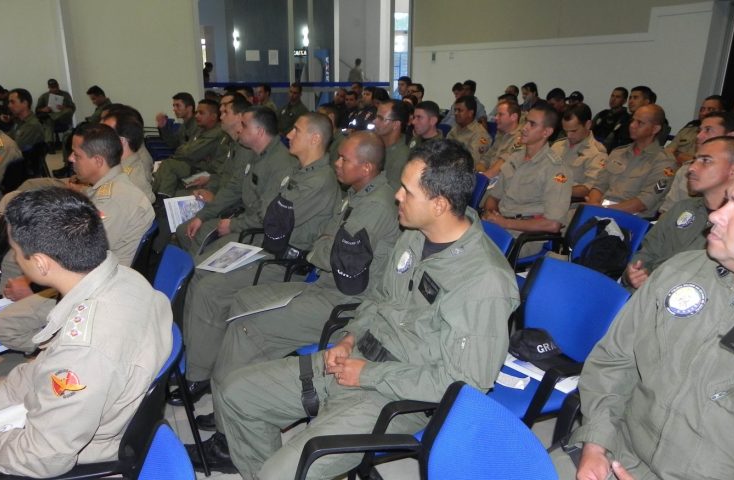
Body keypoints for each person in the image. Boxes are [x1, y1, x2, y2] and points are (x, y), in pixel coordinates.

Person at [201, 139, 519, 478]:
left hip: (399, 397)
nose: (397, 196)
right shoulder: (414, 235)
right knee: (236, 393)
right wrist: (349, 339)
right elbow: (377, 298)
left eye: (408, 192)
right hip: (358, 359)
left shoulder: (484, 281)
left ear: (439, 205)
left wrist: (366, 374)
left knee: (279, 472)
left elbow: (463, 382)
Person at [184, 132, 400, 447]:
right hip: (325, 285)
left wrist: (323, 246)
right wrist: (324, 245)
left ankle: (229, 439)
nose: (336, 163)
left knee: (248, 327)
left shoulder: (376, 205)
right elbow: (326, 242)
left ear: (366, 168)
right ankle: (230, 409)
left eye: (344, 159)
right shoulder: (358, 193)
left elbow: (329, 251)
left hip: (347, 302)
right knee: (243, 300)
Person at [552, 145, 734, 480]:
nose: (715, 215)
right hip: (618, 450)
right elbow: (615, 358)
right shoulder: (681, 271)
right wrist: (596, 443)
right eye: (726, 201)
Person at [0, 187, 171, 479]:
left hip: (85, 446)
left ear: (41, 263)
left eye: (17, 254)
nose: (16, 260)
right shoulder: (126, 278)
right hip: (91, 414)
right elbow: (44, 368)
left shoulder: (82, 350)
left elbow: (44, 457)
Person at [172, 111, 340, 406]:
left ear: (314, 138)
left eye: (297, 130)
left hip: (288, 263)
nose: (289, 134)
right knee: (200, 273)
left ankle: (199, 375)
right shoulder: (302, 172)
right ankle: (197, 357)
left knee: (210, 290)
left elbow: (275, 219)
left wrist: (257, 217)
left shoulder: (318, 180)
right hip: (268, 247)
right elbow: (270, 212)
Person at [0, 123, 155, 353]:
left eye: (77, 155)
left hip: (91, 291)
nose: (70, 159)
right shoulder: (111, 188)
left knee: (1, 325)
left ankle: (62, 348)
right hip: (92, 277)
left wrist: (35, 286)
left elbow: (83, 258)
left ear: (97, 161)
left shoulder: (113, 200)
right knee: (20, 251)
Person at [622, 136, 734, 290]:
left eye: (706, 161)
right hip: (646, 295)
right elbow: (647, 251)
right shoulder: (682, 208)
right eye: (695, 160)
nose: (692, 168)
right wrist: (634, 273)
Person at [176, 105, 295, 257]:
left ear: (259, 132)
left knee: (205, 255)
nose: (239, 130)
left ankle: (191, 274)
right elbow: (234, 188)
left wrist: (233, 225)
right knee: (191, 232)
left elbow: (266, 215)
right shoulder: (257, 154)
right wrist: (202, 216)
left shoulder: (281, 164)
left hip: (258, 232)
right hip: (245, 220)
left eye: (244, 126)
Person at [482, 103, 572, 254]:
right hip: (499, 225)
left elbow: (553, 224)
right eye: (525, 122)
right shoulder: (515, 158)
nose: (524, 127)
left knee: (473, 256)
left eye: (532, 124)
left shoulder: (556, 169)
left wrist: (505, 223)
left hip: (524, 236)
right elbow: (494, 197)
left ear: (546, 132)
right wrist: (491, 213)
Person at [587, 104, 676, 218]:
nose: (632, 125)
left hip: (630, 219)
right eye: (632, 120)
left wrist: (604, 210)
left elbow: (644, 202)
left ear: (655, 129)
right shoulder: (618, 153)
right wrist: (593, 206)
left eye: (640, 123)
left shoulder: (664, 162)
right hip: (600, 211)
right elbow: (599, 186)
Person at [660, 111, 734, 213]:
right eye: (699, 131)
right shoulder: (687, 169)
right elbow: (667, 213)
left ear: (730, 136)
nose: (699, 136)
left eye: (708, 130)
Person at [152, 99, 226, 197]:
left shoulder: (216, 133)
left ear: (213, 116)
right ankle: (157, 198)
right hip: (193, 166)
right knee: (167, 171)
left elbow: (190, 153)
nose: (197, 116)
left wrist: (186, 149)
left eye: (201, 113)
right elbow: (179, 146)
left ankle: (159, 199)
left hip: (203, 172)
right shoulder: (200, 129)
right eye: (197, 112)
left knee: (168, 167)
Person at [550, 103, 607, 200]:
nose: (569, 136)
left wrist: (555, 189)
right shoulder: (558, 145)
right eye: (566, 131)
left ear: (588, 125)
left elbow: (589, 188)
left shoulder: (597, 153)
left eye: (573, 131)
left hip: (570, 202)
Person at [101, 107, 155, 203]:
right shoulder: (117, 165)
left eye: (106, 135)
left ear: (121, 141)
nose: (100, 139)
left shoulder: (133, 176)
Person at [665, 95, 726, 166]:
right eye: (702, 109)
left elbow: (703, 163)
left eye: (710, 109)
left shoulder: (720, 135)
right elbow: (667, 152)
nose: (704, 113)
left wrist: (677, 154)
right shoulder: (689, 129)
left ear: (722, 112)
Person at [373, 100, 410, 190]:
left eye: (380, 118)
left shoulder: (402, 156)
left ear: (396, 124)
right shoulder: (373, 144)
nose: (374, 121)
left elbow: (390, 193)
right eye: (376, 117)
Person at [446, 95, 491, 169]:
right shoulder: (455, 128)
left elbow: (471, 162)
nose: (456, 113)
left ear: (470, 113)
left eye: (460, 110)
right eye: (455, 110)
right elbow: (445, 149)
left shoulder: (480, 134)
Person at [480, 99, 522, 176]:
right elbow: (486, 159)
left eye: (500, 114)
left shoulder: (521, 139)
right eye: (496, 114)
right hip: (488, 177)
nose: (496, 118)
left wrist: (483, 179)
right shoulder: (500, 135)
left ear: (514, 117)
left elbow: (504, 163)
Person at [35, 78, 76, 150]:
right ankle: (49, 144)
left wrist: (64, 107)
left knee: (68, 111)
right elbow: (37, 110)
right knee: (48, 122)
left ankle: (52, 117)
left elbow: (72, 108)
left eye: (55, 87)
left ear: (58, 86)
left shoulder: (65, 95)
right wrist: (44, 109)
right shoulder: (44, 96)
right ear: (49, 87)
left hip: (63, 118)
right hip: (50, 118)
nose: (54, 89)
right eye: (52, 88)